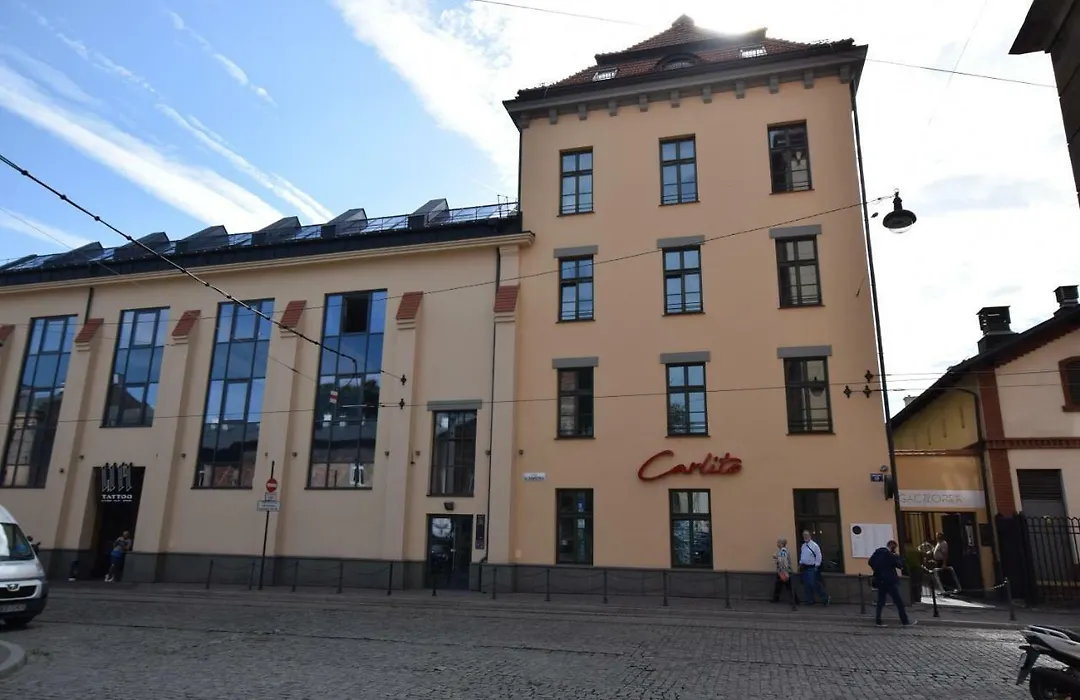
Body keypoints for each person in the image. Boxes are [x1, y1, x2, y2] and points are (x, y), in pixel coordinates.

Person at [869, 540, 916, 627]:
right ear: (892, 547)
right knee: (899, 602)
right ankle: (905, 621)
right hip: (889, 581)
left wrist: (877, 571)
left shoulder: (878, 552)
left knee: (880, 601)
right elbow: (899, 565)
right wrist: (899, 558)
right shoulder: (890, 555)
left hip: (880, 580)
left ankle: (878, 621)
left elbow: (870, 562)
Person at [798, 530, 830, 606]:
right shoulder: (803, 546)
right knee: (807, 585)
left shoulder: (814, 545)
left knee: (814, 584)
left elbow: (819, 556)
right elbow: (802, 556)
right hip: (804, 567)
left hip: (812, 568)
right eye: (804, 535)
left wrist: (817, 565)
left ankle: (825, 598)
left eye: (806, 535)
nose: (805, 537)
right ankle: (810, 601)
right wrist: (800, 564)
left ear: (810, 536)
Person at [771, 537, 798, 603]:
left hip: (783, 572)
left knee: (788, 586)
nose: (777, 543)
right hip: (782, 571)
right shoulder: (781, 551)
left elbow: (784, 562)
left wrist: (776, 557)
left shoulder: (783, 551)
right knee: (779, 586)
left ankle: (795, 600)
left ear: (782, 543)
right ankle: (776, 599)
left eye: (778, 542)